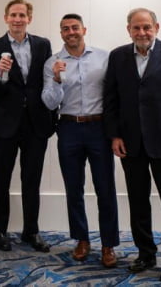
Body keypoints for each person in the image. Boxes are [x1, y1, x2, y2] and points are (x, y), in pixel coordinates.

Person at [104, 8, 161, 283]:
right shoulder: (118, 56)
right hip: (130, 142)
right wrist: (115, 135)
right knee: (138, 202)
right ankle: (145, 253)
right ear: (129, 30)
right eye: (136, 28)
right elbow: (111, 99)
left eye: (147, 27)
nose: (142, 32)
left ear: (156, 27)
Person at [41, 14, 118, 267]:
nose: (71, 32)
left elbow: (114, 95)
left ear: (84, 29)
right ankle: (81, 239)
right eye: (65, 29)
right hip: (69, 128)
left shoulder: (104, 58)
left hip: (99, 128)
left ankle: (108, 244)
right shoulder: (52, 62)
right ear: (61, 33)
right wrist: (56, 79)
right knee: (73, 188)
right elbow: (49, 102)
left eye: (75, 27)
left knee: (105, 188)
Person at [0, 0, 55, 252]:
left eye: (22, 15)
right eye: (13, 15)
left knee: (31, 179)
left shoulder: (43, 45)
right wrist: (1, 75)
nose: (17, 19)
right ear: (6, 18)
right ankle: (0, 230)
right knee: (1, 179)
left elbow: (47, 80)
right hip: (4, 123)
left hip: (36, 122)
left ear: (29, 19)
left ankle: (31, 231)